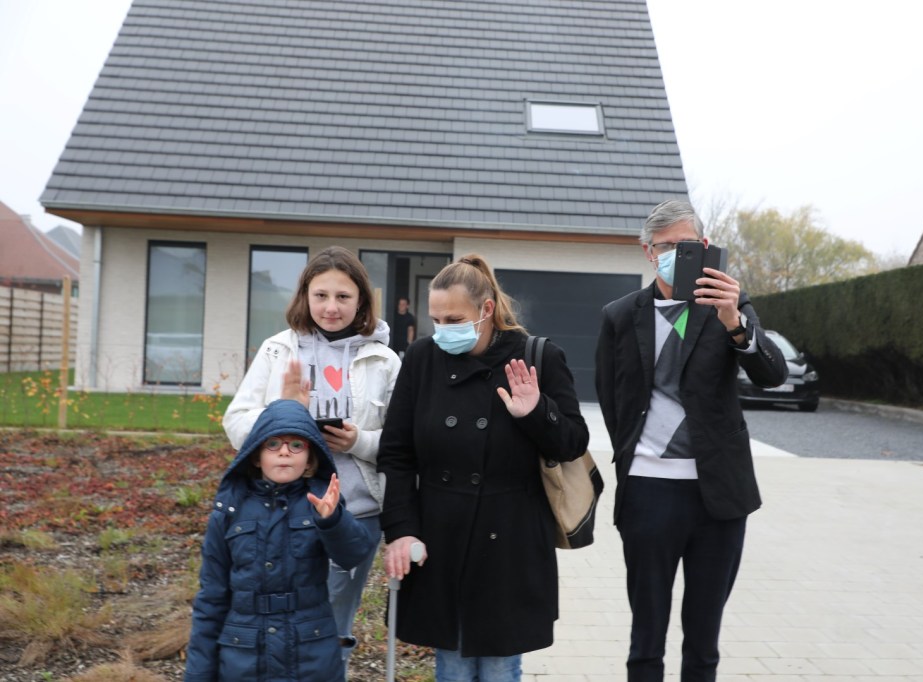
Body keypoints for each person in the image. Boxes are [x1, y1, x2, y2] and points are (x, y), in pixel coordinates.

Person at [595, 198, 789, 682]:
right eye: (665, 247)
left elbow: (771, 374)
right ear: (648, 252)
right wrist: (637, 456)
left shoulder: (728, 303)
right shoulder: (620, 315)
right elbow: (612, 398)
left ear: (704, 247)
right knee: (646, 638)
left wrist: (734, 322)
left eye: (686, 245)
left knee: (703, 641)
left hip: (718, 495)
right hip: (648, 491)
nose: (675, 255)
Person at [377, 254, 589, 682]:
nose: (443, 330)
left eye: (454, 319)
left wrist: (535, 412)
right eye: (436, 320)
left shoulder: (538, 356)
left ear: (486, 310)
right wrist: (401, 529)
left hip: (510, 541)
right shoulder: (422, 358)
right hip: (442, 535)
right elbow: (396, 453)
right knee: (452, 665)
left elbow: (573, 443)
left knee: (499, 666)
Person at [222, 246, 401, 679]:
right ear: (305, 296)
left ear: (361, 300)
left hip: (356, 514)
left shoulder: (384, 361)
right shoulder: (277, 351)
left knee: (331, 626)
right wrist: (285, 415)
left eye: (343, 296)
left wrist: (359, 441)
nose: (331, 307)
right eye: (321, 295)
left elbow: (404, 443)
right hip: (280, 510)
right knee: (275, 619)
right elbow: (236, 421)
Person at [184, 398, 376, 682]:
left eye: (296, 445)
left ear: (310, 458)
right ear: (256, 455)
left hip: (311, 653)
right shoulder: (230, 511)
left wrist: (333, 520)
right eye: (273, 444)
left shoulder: (321, 503)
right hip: (244, 655)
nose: (284, 452)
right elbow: (212, 597)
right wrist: (198, 674)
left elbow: (354, 554)